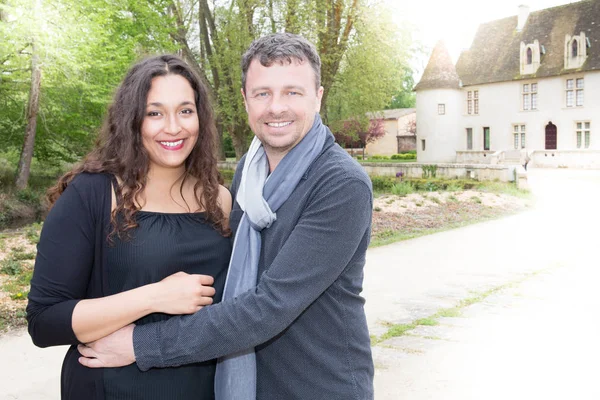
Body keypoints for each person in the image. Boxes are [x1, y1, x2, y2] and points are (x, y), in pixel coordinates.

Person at [78, 33, 375, 400]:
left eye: (293, 92)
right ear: (245, 100)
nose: (276, 107)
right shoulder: (249, 174)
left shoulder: (340, 184)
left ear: (318, 96)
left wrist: (142, 344)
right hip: (251, 384)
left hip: (318, 385)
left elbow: (269, 306)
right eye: (262, 93)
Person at [26, 54, 232, 399]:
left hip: (202, 388)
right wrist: (155, 297)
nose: (173, 127)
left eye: (185, 110)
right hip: (112, 387)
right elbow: (44, 321)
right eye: (155, 113)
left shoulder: (221, 200)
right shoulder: (92, 194)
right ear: (132, 120)